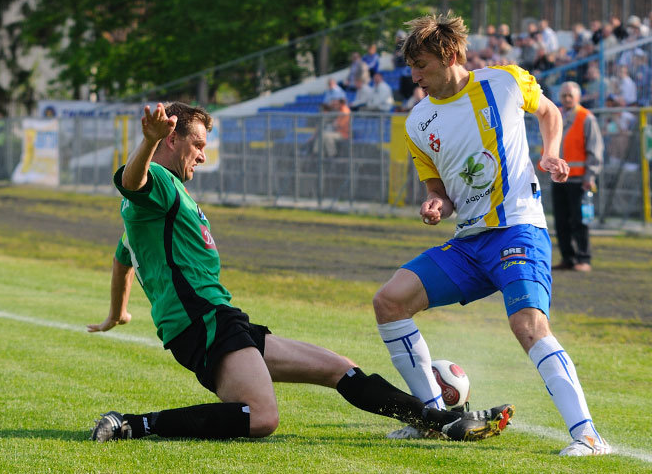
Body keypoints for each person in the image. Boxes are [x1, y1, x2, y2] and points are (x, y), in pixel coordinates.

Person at [87, 101, 513, 443]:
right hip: (202, 325)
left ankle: (441, 422)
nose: (202, 154)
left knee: (339, 368)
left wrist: (117, 312)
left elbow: (124, 256)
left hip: (222, 320)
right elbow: (131, 180)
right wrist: (146, 143)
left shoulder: (156, 210)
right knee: (262, 418)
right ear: (169, 138)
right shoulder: (158, 180)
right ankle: (134, 424)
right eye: (196, 143)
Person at [373, 13, 610, 456]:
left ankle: (589, 436)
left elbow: (549, 111)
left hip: (517, 226)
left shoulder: (502, 82)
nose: (414, 75)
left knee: (528, 323)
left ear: (451, 55)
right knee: (389, 301)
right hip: (469, 241)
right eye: (411, 66)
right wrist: (435, 205)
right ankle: (431, 417)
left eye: (421, 64)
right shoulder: (418, 121)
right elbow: (438, 191)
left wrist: (551, 153)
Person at [550, 82, 603, 273]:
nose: (566, 99)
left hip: (580, 180)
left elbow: (595, 150)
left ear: (578, 97)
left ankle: (583, 258)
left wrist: (590, 176)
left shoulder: (586, 118)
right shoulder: (556, 115)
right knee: (561, 221)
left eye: (570, 95)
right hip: (559, 180)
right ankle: (567, 258)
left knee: (580, 221)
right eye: (563, 95)